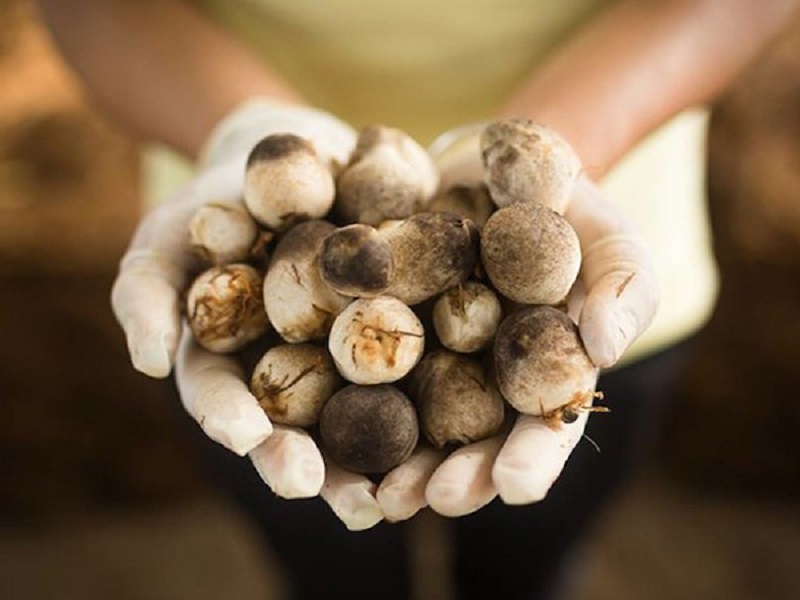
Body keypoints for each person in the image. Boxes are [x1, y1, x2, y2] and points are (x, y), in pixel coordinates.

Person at [37, 1, 800, 598]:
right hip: (228, 173)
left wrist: (552, 147)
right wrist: (240, 128)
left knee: (531, 563)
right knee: (329, 566)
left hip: (598, 251)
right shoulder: (290, 278)